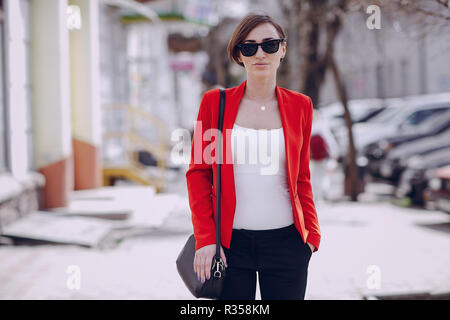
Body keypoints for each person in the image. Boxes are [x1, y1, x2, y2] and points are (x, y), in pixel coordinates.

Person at [185, 13, 321, 300]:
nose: (260, 53)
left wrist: (312, 236)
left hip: (288, 243)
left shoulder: (301, 106)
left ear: (282, 50)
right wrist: (206, 239)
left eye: (269, 45)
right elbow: (198, 173)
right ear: (239, 55)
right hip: (229, 245)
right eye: (249, 47)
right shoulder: (214, 104)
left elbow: (302, 178)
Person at [310, 110, 339, 202]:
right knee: (323, 176)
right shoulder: (322, 127)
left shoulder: (307, 127)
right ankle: (321, 194)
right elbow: (330, 141)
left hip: (311, 158)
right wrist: (334, 153)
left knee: (313, 177)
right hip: (322, 157)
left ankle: (315, 196)